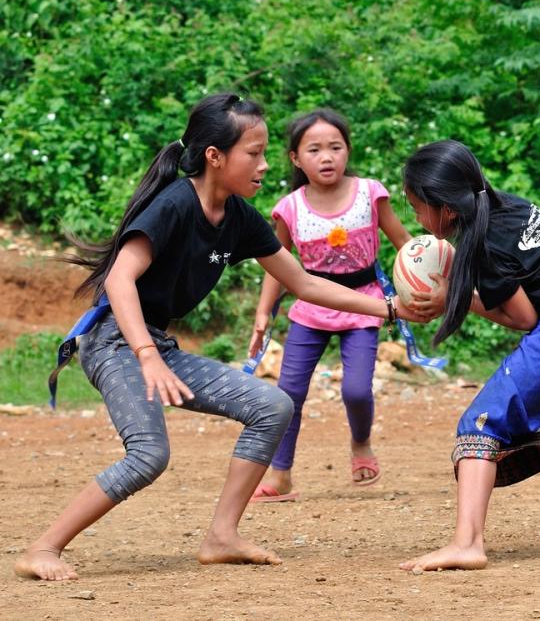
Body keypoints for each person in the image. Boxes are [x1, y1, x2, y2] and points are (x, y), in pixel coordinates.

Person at [14, 93, 423, 581]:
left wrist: (393, 307)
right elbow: (120, 279)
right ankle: (42, 547)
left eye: (266, 152)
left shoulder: (239, 217)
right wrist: (146, 356)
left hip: (156, 345)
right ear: (215, 156)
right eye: (254, 153)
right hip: (115, 342)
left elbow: (305, 283)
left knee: (271, 406)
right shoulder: (174, 205)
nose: (265, 165)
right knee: (149, 454)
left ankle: (222, 536)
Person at [396, 139, 540, 573]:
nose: (417, 219)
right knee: (523, 409)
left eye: (416, 207)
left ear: (443, 206)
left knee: (481, 420)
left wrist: (451, 299)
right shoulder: (505, 208)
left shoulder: (482, 241)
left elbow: (521, 317)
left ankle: (467, 543)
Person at [247, 109, 411, 500]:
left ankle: (361, 444)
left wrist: (430, 278)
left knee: (356, 390)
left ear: (347, 151)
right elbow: (277, 264)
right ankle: (281, 473)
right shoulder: (289, 207)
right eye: (315, 149)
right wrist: (262, 312)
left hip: (364, 305)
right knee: (288, 394)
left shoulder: (371, 193)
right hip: (309, 310)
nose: (327, 157)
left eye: (335, 147)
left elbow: (404, 242)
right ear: (295, 159)